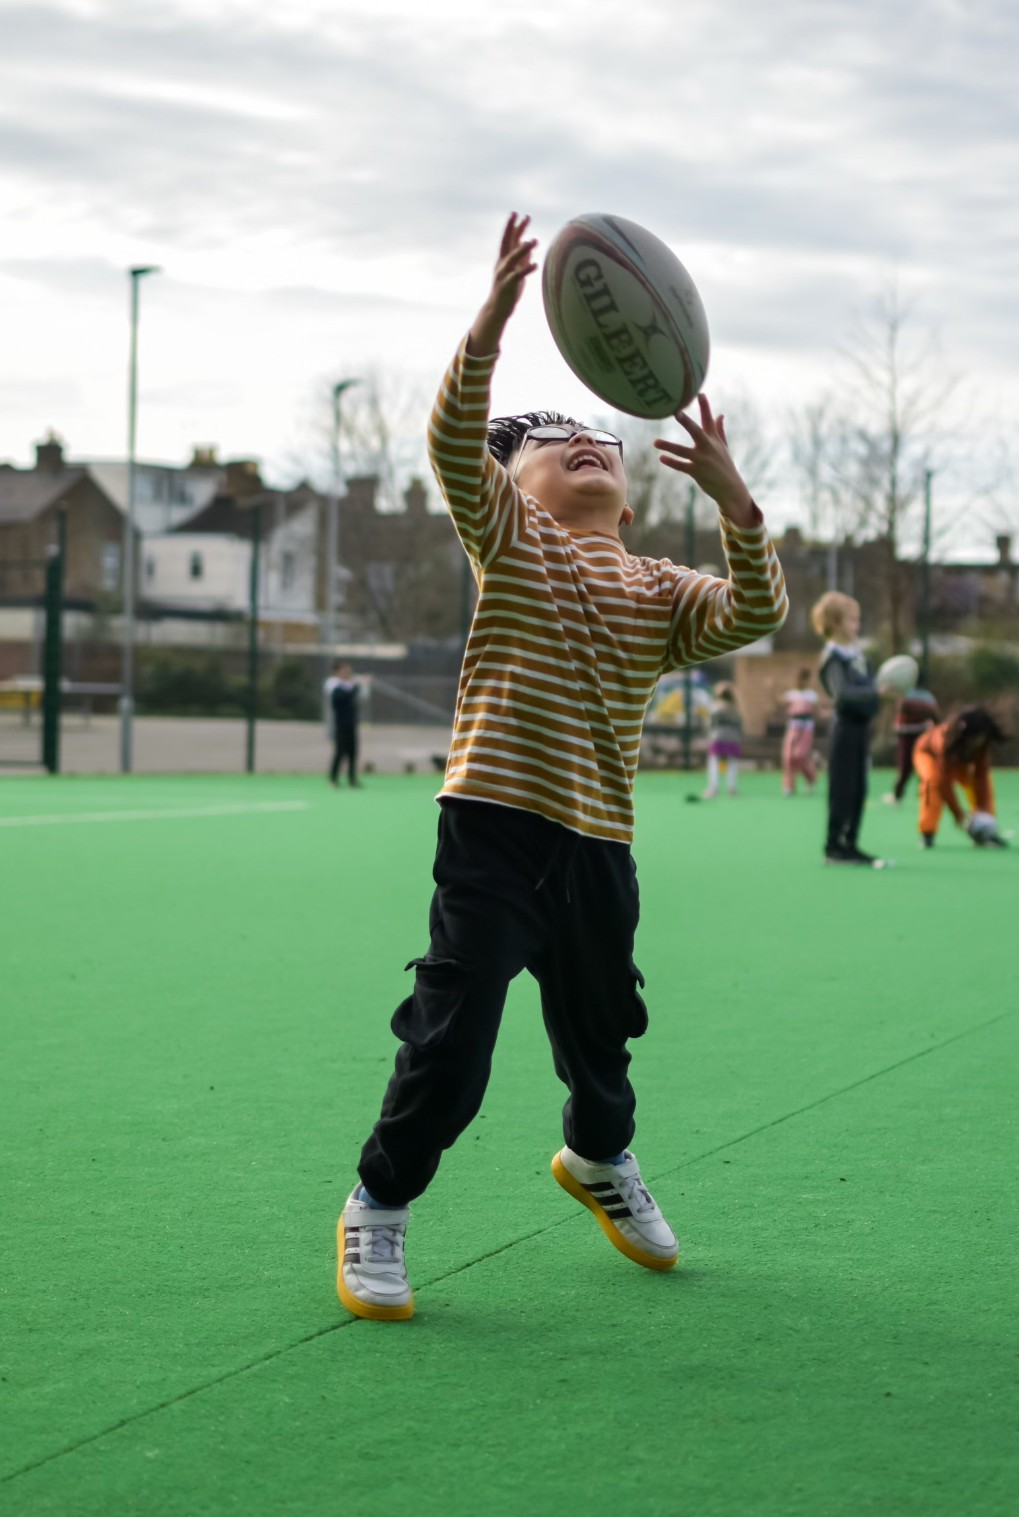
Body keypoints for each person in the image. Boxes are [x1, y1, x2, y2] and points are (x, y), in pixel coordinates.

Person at [337, 214, 788, 1320]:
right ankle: (378, 1204)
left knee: (603, 1043)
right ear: (513, 488)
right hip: (492, 831)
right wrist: (489, 324)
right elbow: (450, 443)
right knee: (453, 1048)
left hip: (598, 848)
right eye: (546, 439)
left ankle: (596, 1161)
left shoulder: (656, 586)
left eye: (595, 437)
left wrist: (737, 508)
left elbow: (755, 608)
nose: (580, 439)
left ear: (630, 494)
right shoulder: (510, 540)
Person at [811, 591, 893, 865]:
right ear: (834, 623)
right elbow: (843, 695)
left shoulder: (860, 656)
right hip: (844, 729)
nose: (857, 625)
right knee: (843, 788)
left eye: (857, 619)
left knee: (859, 788)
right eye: (851, 620)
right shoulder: (834, 658)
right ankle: (833, 845)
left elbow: (870, 693)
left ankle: (851, 843)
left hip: (860, 729)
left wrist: (883, 695)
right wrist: (876, 693)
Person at [913, 706, 1009, 847]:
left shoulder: (982, 745)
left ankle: (987, 831)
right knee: (931, 782)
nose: (979, 741)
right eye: (975, 738)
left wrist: (982, 811)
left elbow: (980, 778)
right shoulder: (944, 741)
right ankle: (927, 833)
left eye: (982, 737)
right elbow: (943, 783)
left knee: (983, 784)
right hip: (929, 755)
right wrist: (958, 814)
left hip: (959, 761)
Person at [883, 685, 940, 804]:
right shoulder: (922, 697)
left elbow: (934, 717)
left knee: (916, 769)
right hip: (913, 736)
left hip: (917, 737)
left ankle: (921, 796)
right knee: (908, 769)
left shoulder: (907, 698)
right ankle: (903, 795)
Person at [779, 666, 819, 796]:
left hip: (806, 727)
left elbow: (817, 711)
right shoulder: (791, 694)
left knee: (800, 754)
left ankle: (811, 777)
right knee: (789, 756)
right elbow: (781, 705)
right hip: (793, 726)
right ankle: (789, 786)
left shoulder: (811, 695)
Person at [702, 682, 744, 796]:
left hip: (718, 737)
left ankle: (713, 787)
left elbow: (709, 723)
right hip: (733, 738)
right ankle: (732, 788)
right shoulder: (735, 709)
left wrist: (708, 735)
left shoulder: (715, 707)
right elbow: (739, 725)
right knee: (731, 762)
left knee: (714, 761)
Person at [324, 661, 361, 787]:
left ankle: (352, 779)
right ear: (337, 672)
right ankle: (333, 779)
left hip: (351, 723)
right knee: (340, 752)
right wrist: (355, 686)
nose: (347, 673)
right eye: (344, 670)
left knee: (353, 752)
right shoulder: (333, 684)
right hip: (340, 724)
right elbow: (341, 697)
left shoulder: (348, 685)